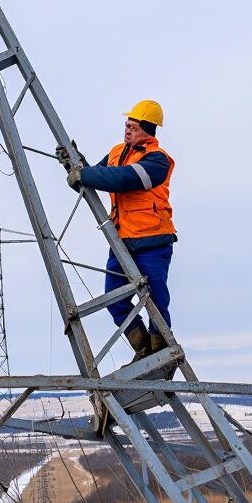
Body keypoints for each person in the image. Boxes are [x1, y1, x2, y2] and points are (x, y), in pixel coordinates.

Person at [61, 100, 176, 364]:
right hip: (122, 242)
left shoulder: (157, 160)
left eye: (133, 127)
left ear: (147, 129)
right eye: (126, 125)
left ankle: (163, 353)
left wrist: (84, 173)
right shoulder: (117, 152)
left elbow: (121, 179)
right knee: (115, 299)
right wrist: (73, 165)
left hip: (152, 241)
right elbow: (92, 177)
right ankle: (145, 350)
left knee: (156, 301)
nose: (127, 130)